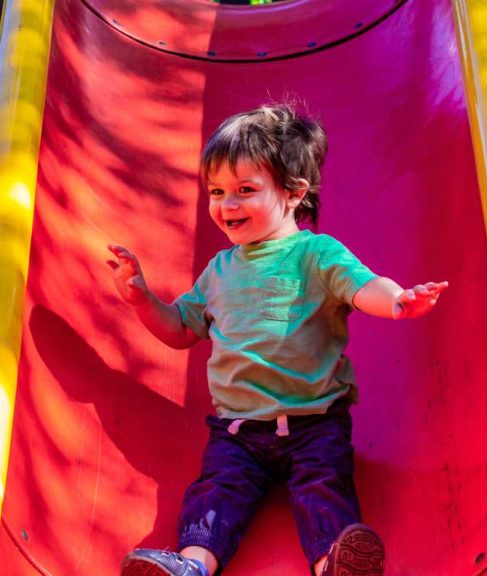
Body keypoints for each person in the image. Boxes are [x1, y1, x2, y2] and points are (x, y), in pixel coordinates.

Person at [107, 104, 448, 576]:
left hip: (315, 424)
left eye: (245, 191)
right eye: (217, 192)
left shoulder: (315, 253)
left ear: (293, 194)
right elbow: (181, 329)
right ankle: (193, 566)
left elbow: (363, 284)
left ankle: (334, 564)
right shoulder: (219, 271)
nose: (228, 205)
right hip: (237, 432)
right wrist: (142, 298)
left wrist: (396, 301)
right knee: (215, 494)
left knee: (324, 490)